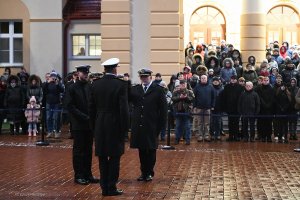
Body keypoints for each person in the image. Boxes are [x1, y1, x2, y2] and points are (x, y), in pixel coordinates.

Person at [89, 58, 129, 196]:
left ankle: (104, 187)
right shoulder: (121, 85)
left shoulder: (95, 84)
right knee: (114, 157)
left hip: (100, 123)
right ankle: (111, 187)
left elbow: (91, 108)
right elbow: (124, 109)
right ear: (115, 69)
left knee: (102, 157)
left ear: (105, 69)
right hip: (115, 124)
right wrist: (125, 128)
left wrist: (93, 126)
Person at [130, 68, 167, 182]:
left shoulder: (158, 90)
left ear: (150, 77)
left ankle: (149, 172)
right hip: (139, 125)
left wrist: (160, 127)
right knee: (141, 150)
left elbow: (163, 110)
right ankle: (143, 172)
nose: (144, 79)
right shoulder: (135, 89)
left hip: (152, 125)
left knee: (151, 150)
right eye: (142, 77)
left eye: (146, 77)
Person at [65, 65, 99, 186]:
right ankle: (78, 175)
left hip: (89, 124)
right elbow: (70, 106)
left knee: (88, 150)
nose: (85, 75)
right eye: (83, 73)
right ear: (78, 73)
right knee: (79, 151)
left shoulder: (90, 86)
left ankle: (88, 174)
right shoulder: (71, 88)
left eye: (86, 73)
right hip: (78, 124)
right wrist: (84, 117)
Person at [172, 79, 194, 145]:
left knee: (187, 126)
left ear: (186, 84)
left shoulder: (190, 92)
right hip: (178, 112)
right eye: (181, 84)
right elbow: (173, 99)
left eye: (184, 84)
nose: (183, 85)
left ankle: (188, 140)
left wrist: (186, 97)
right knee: (178, 126)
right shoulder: (176, 92)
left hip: (187, 112)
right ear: (180, 85)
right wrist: (180, 97)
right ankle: (177, 139)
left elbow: (192, 99)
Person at [43, 71, 64, 138]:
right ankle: (50, 131)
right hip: (49, 103)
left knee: (56, 118)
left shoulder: (58, 83)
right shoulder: (47, 83)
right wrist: (47, 82)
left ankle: (57, 131)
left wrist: (57, 84)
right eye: (52, 76)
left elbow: (62, 90)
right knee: (48, 117)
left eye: (54, 76)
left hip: (56, 103)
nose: (53, 77)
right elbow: (43, 90)